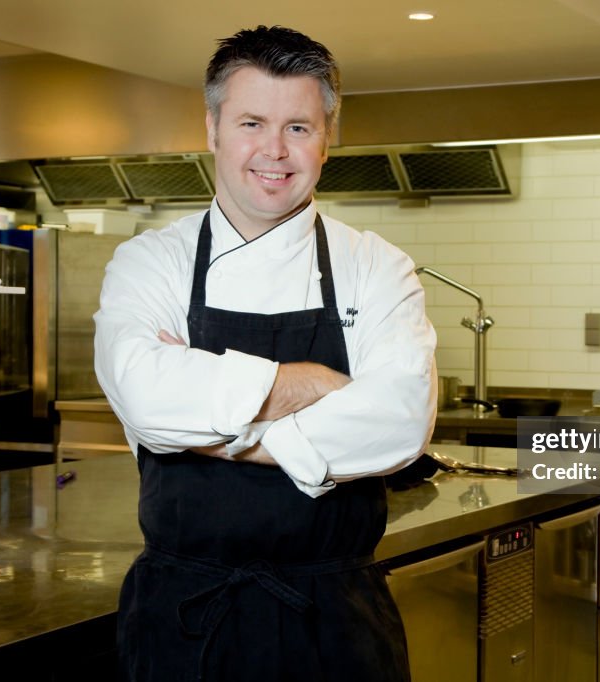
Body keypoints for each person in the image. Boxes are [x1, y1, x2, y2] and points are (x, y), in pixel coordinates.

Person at [93, 25, 437, 681]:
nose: (274, 151)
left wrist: (213, 432)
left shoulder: (375, 266)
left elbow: (400, 419)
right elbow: (147, 394)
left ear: (328, 137)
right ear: (213, 127)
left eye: (299, 127)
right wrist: (310, 384)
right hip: (185, 621)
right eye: (252, 122)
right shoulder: (150, 263)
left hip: (338, 621)